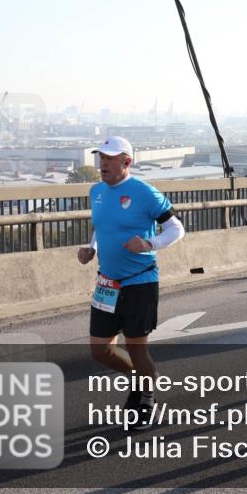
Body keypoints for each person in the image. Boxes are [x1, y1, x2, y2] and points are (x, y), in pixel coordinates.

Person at [80, 136, 185, 429]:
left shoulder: (144, 192)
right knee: (99, 350)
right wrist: (93, 249)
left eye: (110, 158)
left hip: (140, 281)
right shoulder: (96, 191)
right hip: (107, 283)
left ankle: (146, 397)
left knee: (137, 348)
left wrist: (149, 243)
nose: (103, 163)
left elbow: (176, 229)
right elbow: (101, 228)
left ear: (127, 161)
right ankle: (141, 380)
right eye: (101, 157)